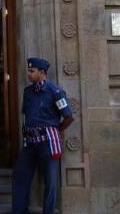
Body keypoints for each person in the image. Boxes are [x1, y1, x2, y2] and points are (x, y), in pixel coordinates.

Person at [11, 57, 74, 214]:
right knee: (20, 178)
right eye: (29, 71)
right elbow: (25, 115)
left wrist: (56, 130)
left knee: (50, 183)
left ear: (42, 73)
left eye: (32, 71)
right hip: (30, 143)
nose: (29, 74)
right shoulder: (28, 92)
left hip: (48, 143)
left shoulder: (55, 92)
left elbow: (68, 117)